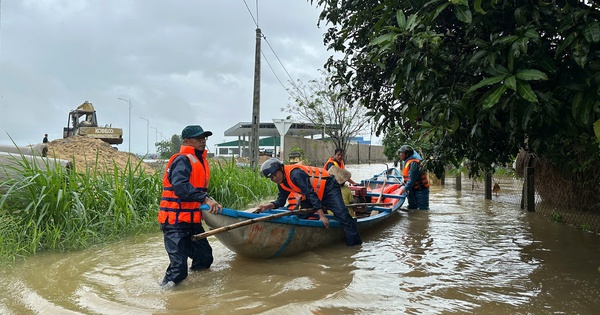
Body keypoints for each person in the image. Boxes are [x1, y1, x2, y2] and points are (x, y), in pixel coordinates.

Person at [158, 124, 222, 286]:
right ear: (187, 141)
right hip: (175, 223)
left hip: (192, 223)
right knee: (179, 269)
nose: (203, 141)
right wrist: (206, 199)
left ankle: (196, 291)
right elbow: (180, 188)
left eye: (204, 138)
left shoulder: (200, 161)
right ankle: (166, 294)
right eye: (198, 138)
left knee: (204, 258)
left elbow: (195, 189)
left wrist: (209, 202)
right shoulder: (182, 160)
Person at [256, 158, 362, 246]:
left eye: (275, 175)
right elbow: (280, 201)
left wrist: (322, 216)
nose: (274, 178)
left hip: (328, 188)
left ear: (281, 169)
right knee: (298, 215)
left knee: (343, 216)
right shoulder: (282, 182)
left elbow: (310, 194)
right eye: (271, 178)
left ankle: (355, 246)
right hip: (313, 193)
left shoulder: (295, 174)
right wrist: (267, 206)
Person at [397, 145, 430, 210]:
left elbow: (412, 180)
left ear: (407, 154)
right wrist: (403, 183)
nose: (400, 155)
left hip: (421, 190)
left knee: (423, 210)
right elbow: (408, 178)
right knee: (412, 208)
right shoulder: (406, 162)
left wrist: (404, 189)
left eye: (402, 153)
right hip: (412, 189)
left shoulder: (413, 164)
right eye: (400, 153)